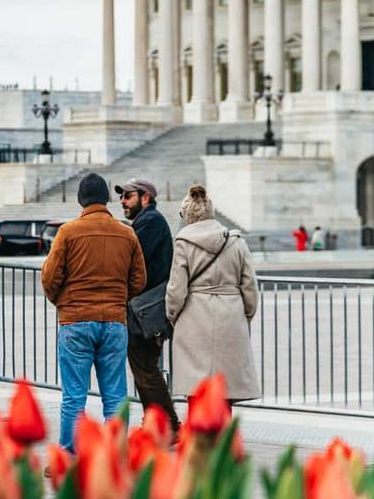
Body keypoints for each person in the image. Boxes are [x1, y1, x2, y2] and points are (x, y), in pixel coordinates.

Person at [41, 173, 147, 453]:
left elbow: (50, 277)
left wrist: (63, 302)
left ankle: (69, 456)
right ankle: (115, 456)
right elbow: (139, 280)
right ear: (108, 199)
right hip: (113, 321)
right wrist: (118, 300)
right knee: (114, 395)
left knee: (74, 396)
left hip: (75, 321)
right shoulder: (127, 233)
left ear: (80, 200)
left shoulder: (68, 232)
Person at [166, 184, 260, 410]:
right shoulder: (236, 242)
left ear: (187, 215)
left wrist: (172, 315)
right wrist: (245, 314)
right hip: (231, 314)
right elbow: (249, 285)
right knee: (224, 389)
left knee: (196, 386)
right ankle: (223, 438)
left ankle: (200, 440)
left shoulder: (183, 243)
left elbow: (176, 289)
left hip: (194, 318)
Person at [115, 178, 181, 436]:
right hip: (143, 309)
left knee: (146, 370)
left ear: (145, 198)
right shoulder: (145, 222)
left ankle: (168, 426)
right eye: (122, 196)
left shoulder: (150, 222)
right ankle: (159, 425)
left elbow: (129, 257)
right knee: (144, 370)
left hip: (146, 311)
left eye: (128, 196)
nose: (123, 201)